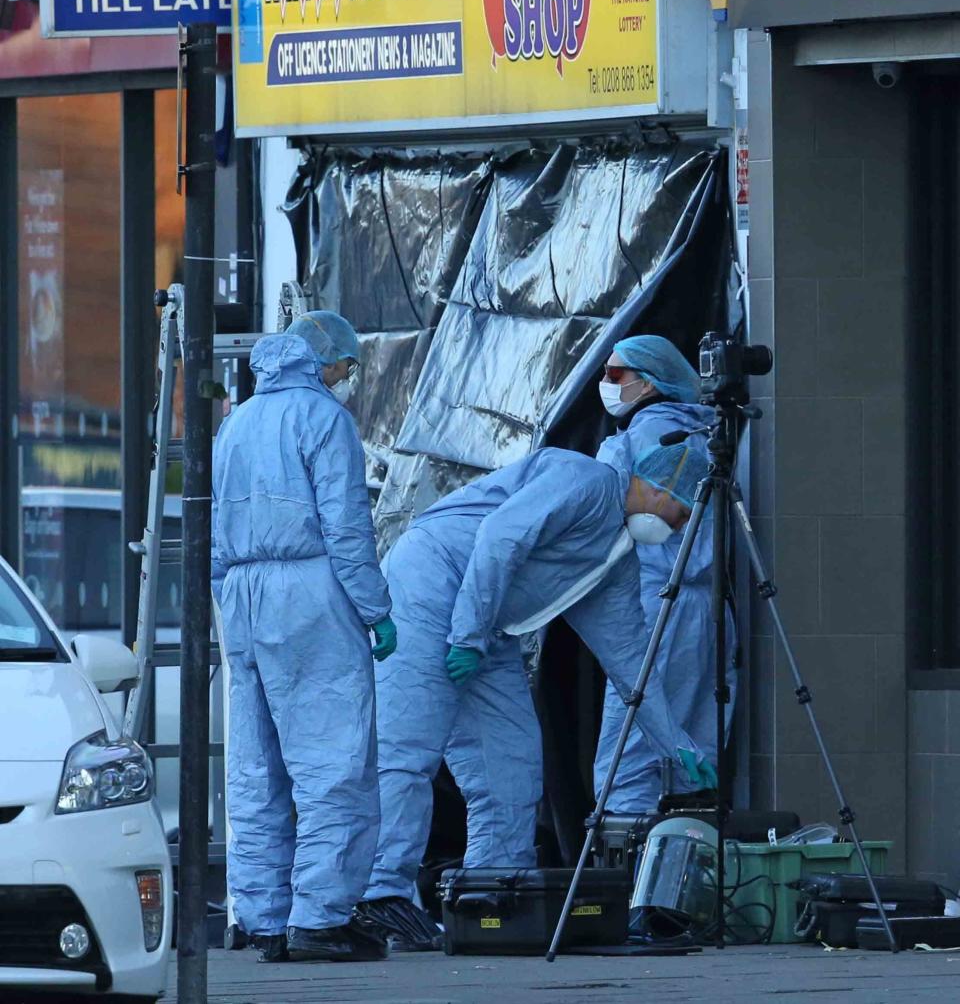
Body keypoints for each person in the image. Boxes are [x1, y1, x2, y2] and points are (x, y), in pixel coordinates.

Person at [356, 445, 715, 950]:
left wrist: (676, 744)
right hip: (430, 588)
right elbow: (500, 538)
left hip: (485, 625)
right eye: (680, 514)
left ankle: (491, 895)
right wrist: (468, 635)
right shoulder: (585, 480)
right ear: (662, 486)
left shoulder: (614, 561)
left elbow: (631, 662)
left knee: (513, 760)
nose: (677, 529)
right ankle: (378, 896)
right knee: (407, 749)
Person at [212, 311, 398, 964]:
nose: (348, 376)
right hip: (310, 593)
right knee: (331, 760)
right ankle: (318, 916)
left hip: (241, 595)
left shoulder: (235, 423)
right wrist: (376, 611)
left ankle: (262, 915)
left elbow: (212, 530)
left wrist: (226, 600)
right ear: (325, 360)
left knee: (256, 766)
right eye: (347, 365)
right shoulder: (324, 421)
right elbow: (347, 529)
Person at [594, 334, 737, 813]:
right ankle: (687, 871)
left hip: (656, 605)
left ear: (651, 382)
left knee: (629, 752)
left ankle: (629, 876)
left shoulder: (650, 435)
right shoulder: (702, 431)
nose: (607, 384)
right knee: (692, 752)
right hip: (703, 606)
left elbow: (629, 520)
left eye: (617, 376)